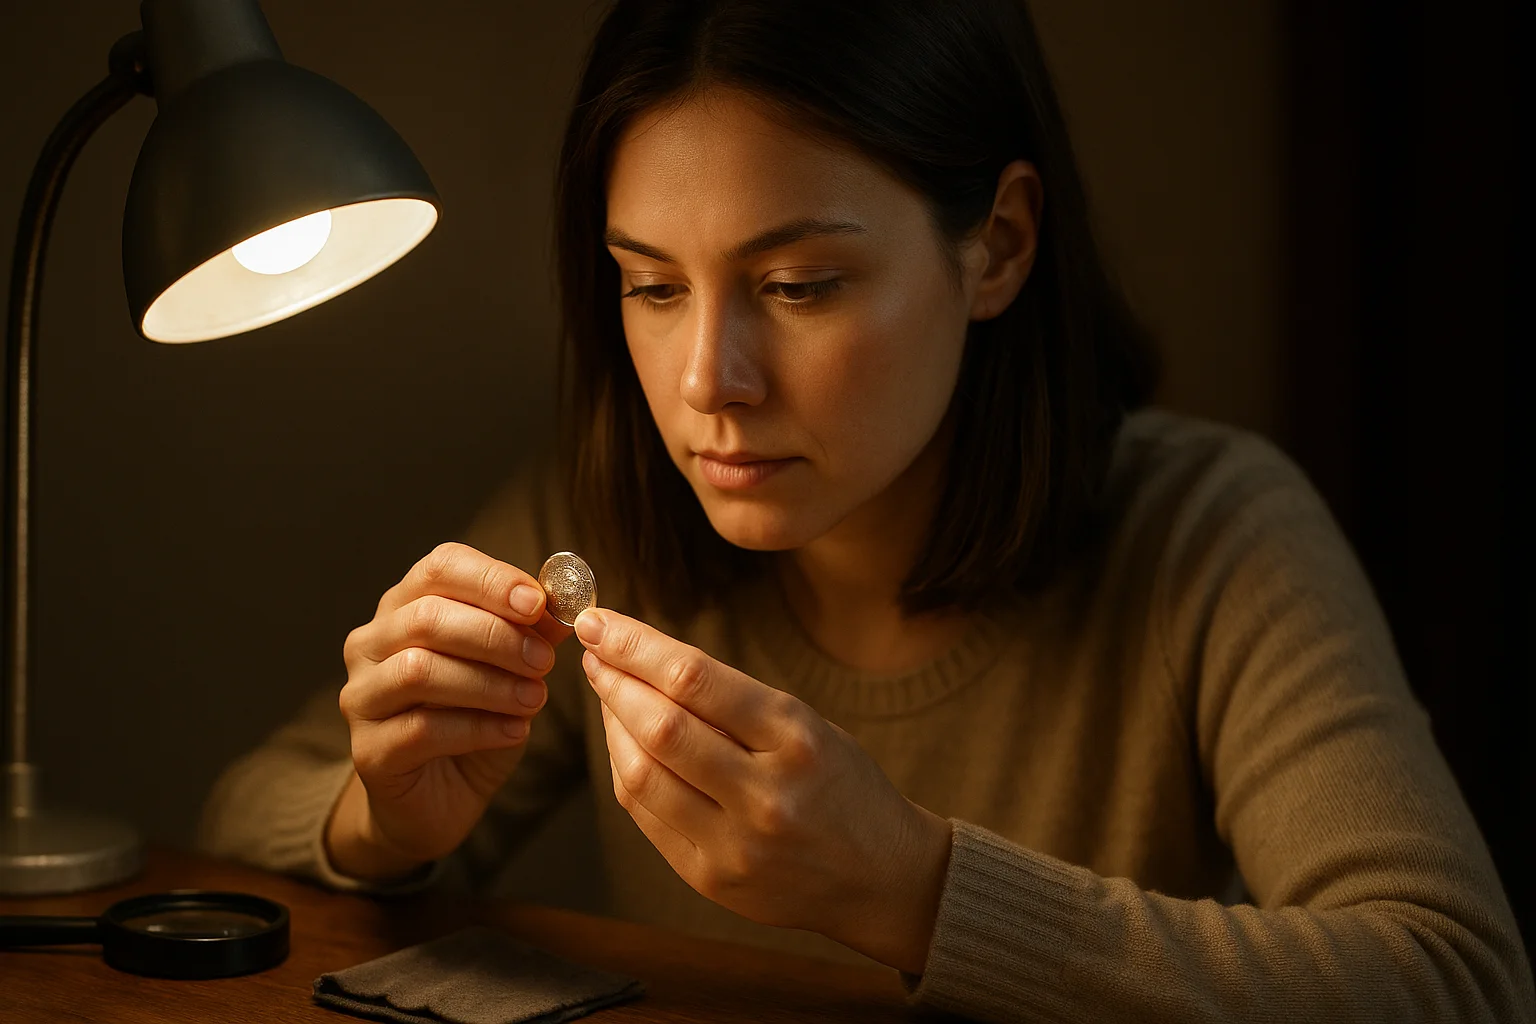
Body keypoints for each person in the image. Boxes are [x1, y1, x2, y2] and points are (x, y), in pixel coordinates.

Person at [195, 2, 1535, 1020]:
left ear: (998, 245)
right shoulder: (598, 511)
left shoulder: (1206, 533)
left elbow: (1454, 974)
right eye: (651, 287)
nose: (707, 383)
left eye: (800, 286)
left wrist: (913, 888)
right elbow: (243, 814)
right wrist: (387, 821)